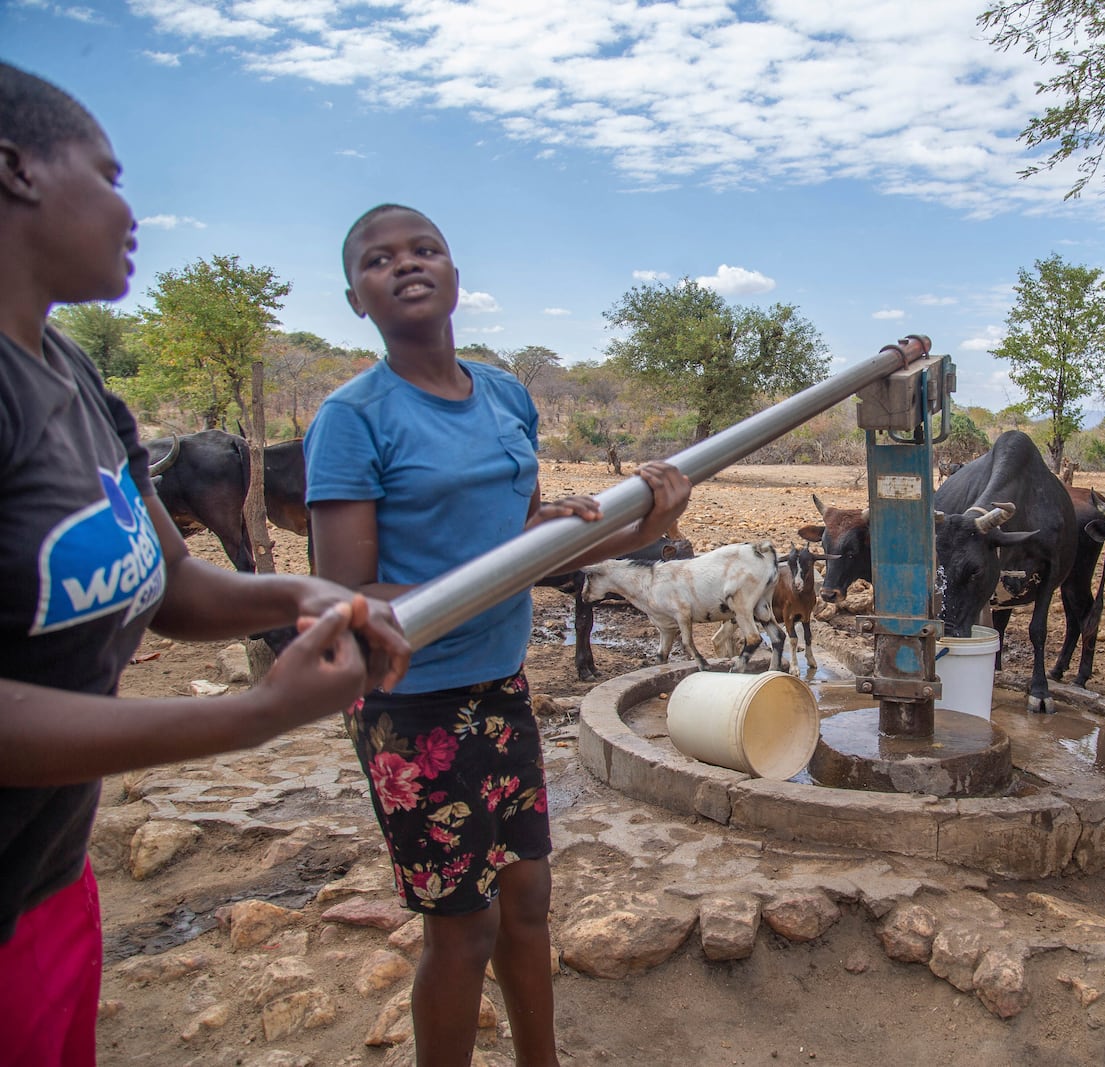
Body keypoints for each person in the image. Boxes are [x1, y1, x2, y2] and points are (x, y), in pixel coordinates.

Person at [0, 62, 412, 1067]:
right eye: (109, 171)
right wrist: (250, 716)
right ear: (13, 171)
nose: (130, 206)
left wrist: (304, 589)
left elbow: (172, 582)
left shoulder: (73, 377)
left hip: (44, 876)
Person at [306, 202, 690, 1067]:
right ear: (355, 299)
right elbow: (347, 593)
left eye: (425, 249)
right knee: (464, 928)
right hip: (410, 703)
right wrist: (510, 553)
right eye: (378, 259)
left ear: (453, 273)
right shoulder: (353, 418)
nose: (406, 264)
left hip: (498, 684)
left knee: (528, 901)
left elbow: (536, 545)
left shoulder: (506, 394)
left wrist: (647, 522)